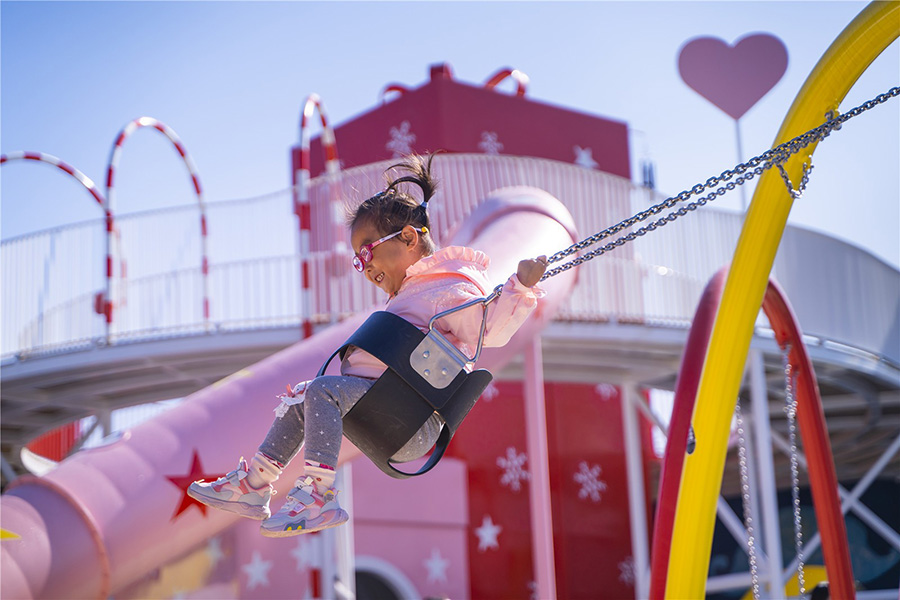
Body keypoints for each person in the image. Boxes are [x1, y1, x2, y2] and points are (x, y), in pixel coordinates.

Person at [189, 153, 547, 537]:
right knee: (304, 397)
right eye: (358, 261)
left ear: (409, 238)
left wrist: (520, 288)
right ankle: (254, 485)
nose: (365, 267)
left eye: (367, 251)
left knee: (321, 392)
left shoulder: (451, 286)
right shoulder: (413, 291)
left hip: (413, 415)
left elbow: (489, 329)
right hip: (380, 400)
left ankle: (318, 497)